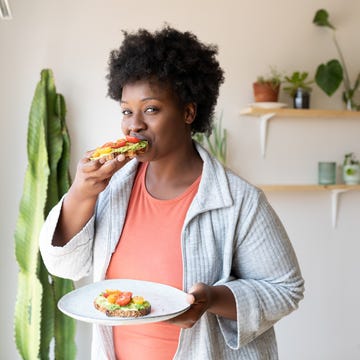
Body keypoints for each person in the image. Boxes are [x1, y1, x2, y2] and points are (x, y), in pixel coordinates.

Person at [39, 26, 304, 360]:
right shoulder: (111, 187)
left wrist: (211, 298)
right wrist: (81, 193)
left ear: (188, 113)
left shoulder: (240, 201)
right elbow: (63, 267)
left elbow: (286, 290)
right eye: (126, 110)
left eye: (151, 109)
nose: (133, 124)